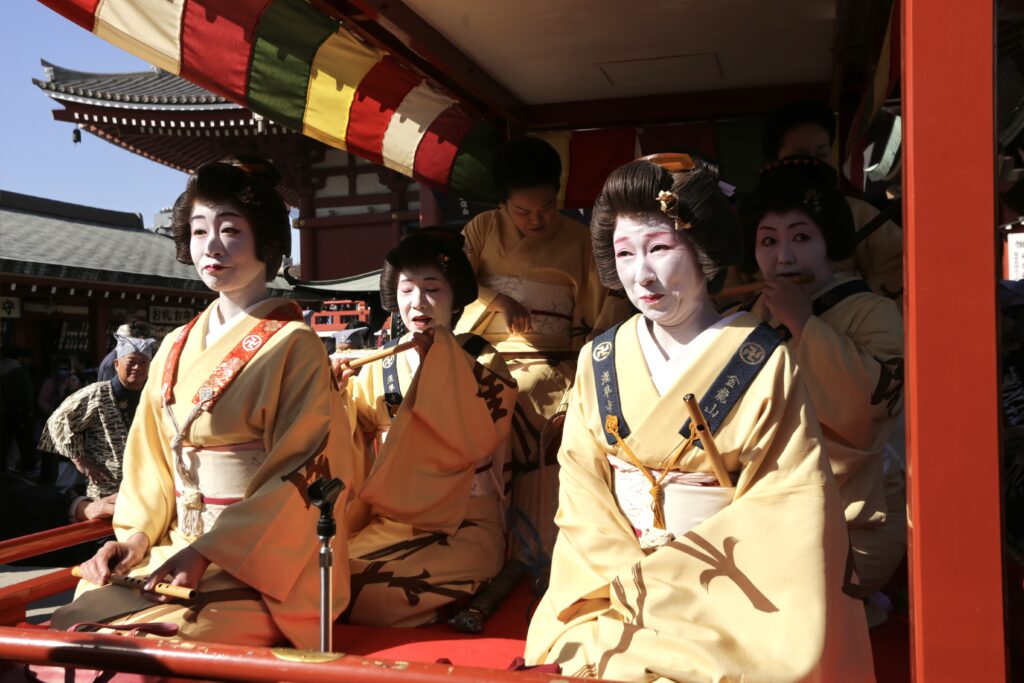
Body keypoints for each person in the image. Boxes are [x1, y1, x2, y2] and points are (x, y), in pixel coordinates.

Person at [525, 155, 873, 682]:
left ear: (702, 249)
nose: (641, 273)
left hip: (727, 594)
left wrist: (671, 580)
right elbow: (582, 495)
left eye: (660, 248)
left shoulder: (762, 358)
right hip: (616, 587)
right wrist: (633, 582)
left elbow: (789, 501)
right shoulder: (599, 360)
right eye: (624, 253)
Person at [52, 156, 358, 650]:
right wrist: (133, 539)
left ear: (265, 239)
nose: (211, 247)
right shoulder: (173, 343)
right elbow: (150, 462)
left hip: (258, 563)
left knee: (171, 639)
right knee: (82, 617)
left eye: (231, 230)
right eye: (198, 231)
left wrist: (210, 551)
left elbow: (303, 469)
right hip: (171, 548)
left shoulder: (294, 344)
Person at [738, 156, 906, 624]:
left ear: (829, 242)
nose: (784, 257)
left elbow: (865, 414)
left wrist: (802, 322)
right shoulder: (757, 310)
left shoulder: (874, 313)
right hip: (767, 508)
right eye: (768, 241)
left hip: (855, 520)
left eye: (801, 238)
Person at [453, 136, 630, 561]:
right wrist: (496, 300)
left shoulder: (581, 238)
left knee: (522, 394)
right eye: (522, 211)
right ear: (502, 204)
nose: (537, 220)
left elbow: (593, 306)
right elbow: (455, 282)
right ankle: (468, 521)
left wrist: (585, 360)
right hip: (481, 353)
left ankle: (522, 527)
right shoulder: (480, 229)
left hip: (551, 360)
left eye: (547, 208)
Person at [334, 231, 517, 627]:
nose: (418, 303)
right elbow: (344, 437)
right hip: (392, 522)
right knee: (326, 575)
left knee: (381, 593)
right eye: (407, 290)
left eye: (432, 289)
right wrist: (334, 390)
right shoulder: (377, 366)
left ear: (455, 299)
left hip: (466, 523)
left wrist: (441, 364)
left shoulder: (481, 360)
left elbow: (481, 433)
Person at [762, 99, 903, 302]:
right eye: (800, 155)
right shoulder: (754, 218)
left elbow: (894, 262)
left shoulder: (856, 212)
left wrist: (861, 306)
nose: (813, 162)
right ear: (774, 160)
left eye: (821, 154)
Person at [38, 333, 157, 502]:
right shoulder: (97, 393)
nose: (137, 367)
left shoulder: (153, 394)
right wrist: (80, 462)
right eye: (131, 362)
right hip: (106, 488)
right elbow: (57, 422)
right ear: (117, 364)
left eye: (143, 362)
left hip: (146, 487)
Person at [1, 346, 36, 473]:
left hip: (4, 410)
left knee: (4, 440)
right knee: (24, 441)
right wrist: (30, 410)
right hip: (20, 410)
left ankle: (3, 466)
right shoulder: (20, 372)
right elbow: (28, 392)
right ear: (19, 357)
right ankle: (28, 466)